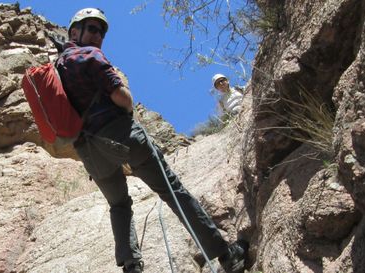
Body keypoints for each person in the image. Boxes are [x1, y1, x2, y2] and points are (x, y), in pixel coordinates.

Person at [55, 8, 248, 273]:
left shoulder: (57, 69)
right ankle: (225, 255)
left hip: (90, 153)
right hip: (122, 136)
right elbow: (121, 96)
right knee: (172, 190)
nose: (98, 35)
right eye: (92, 28)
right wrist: (127, 105)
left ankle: (131, 266)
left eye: (101, 31)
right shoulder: (88, 54)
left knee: (119, 205)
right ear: (75, 31)